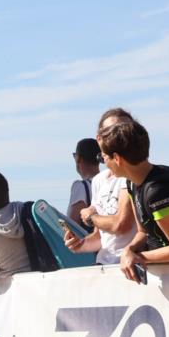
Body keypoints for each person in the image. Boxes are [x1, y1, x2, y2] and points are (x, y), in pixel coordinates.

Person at [98, 119, 169, 282]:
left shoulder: (157, 192)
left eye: (104, 157)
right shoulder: (131, 183)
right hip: (168, 275)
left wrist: (139, 257)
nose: (104, 164)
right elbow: (143, 232)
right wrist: (129, 250)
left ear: (117, 158)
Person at [65, 108, 137, 265]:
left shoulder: (134, 175)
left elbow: (121, 225)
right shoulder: (99, 180)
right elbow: (100, 238)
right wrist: (79, 244)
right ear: (100, 138)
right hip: (103, 265)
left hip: (130, 266)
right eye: (112, 131)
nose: (121, 135)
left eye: (127, 130)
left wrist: (91, 217)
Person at [67, 138, 101, 229]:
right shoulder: (108, 182)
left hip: (90, 241)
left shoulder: (81, 187)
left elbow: (72, 225)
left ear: (79, 158)